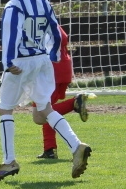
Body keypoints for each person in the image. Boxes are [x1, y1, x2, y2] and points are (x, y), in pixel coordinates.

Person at [0, 0, 93, 182]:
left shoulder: (14, 5)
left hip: (21, 62)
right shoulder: (45, 3)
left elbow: (10, 36)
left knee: (5, 109)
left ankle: (9, 162)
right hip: (43, 60)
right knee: (45, 108)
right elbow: (56, 32)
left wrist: (7, 63)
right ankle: (76, 146)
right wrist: (53, 56)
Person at [36, 24, 93, 159]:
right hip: (63, 66)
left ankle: (74, 103)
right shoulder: (53, 22)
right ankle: (49, 150)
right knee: (48, 110)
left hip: (50, 71)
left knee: (42, 113)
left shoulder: (37, 23)